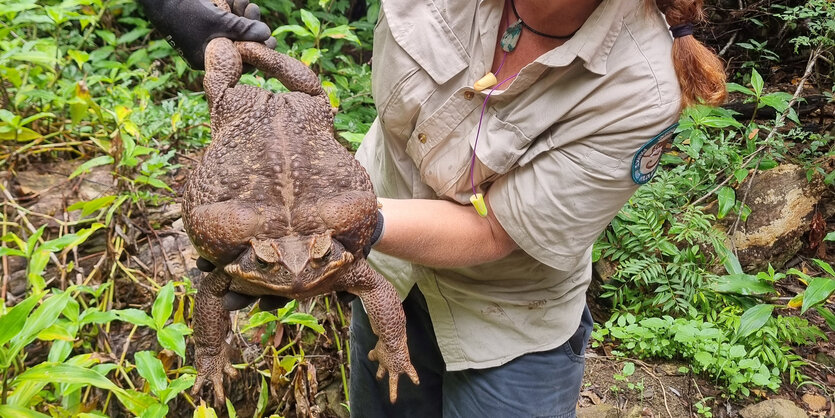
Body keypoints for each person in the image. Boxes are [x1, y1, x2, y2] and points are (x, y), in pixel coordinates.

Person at [142, 0, 726, 416]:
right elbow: (217, 288)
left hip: (505, 313)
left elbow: (497, 232)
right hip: (382, 272)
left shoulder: (643, 86)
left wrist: (335, 231)